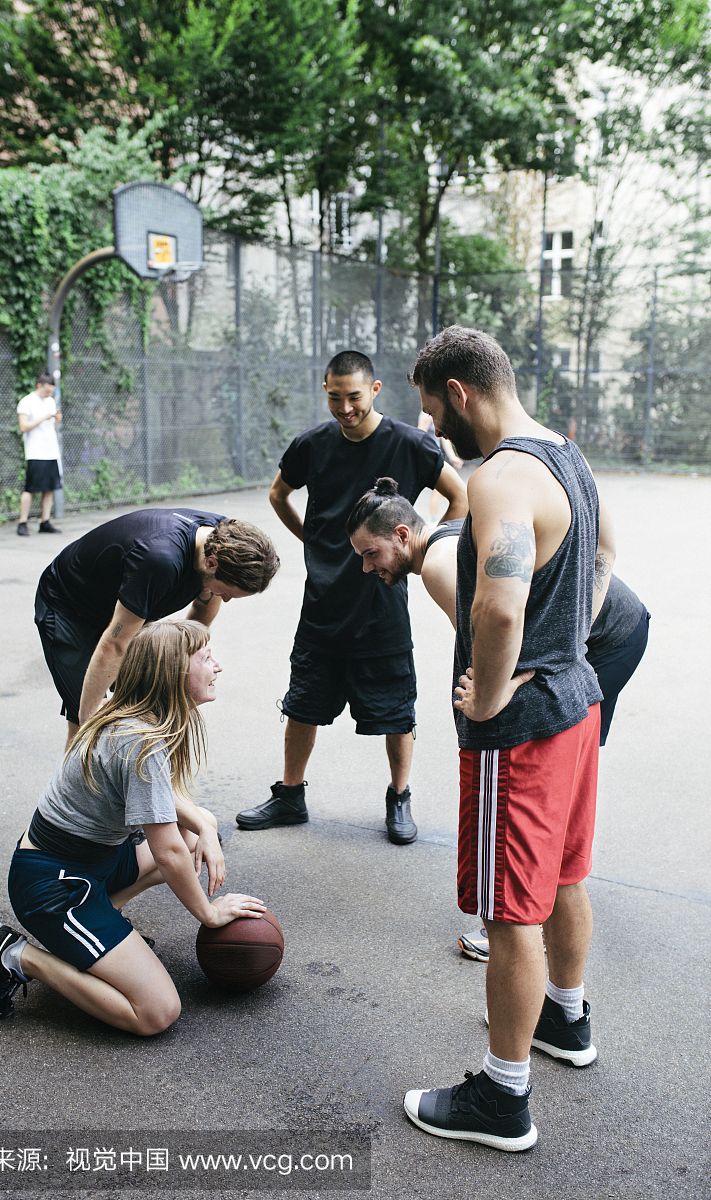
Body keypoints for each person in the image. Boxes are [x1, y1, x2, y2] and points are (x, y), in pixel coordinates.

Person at [398, 325, 615, 1153]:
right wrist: (565, 653)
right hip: (577, 704)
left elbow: (496, 607)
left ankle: (503, 1098)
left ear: (459, 394)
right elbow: (606, 555)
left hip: (521, 730)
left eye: (430, 410)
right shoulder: (569, 455)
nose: (432, 430)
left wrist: (488, 700)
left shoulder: (497, 480)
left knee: (507, 912)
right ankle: (568, 1019)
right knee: (563, 876)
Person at [346, 480, 650, 962]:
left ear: (403, 535)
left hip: (610, 634)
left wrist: (501, 689)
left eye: (370, 553)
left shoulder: (437, 566)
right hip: (606, 627)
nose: (367, 566)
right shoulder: (442, 540)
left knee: (554, 759)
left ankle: (523, 918)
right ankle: (544, 894)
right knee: (560, 769)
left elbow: (505, 630)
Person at [0, 620, 266, 1035]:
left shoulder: (130, 716)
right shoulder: (141, 742)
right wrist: (209, 913)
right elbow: (166, 853)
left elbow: (161, 806)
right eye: (205, 658)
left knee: (194, 835)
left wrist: (204, 819)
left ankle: (104, 923)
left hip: (88, 863)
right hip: (54, 888)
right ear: (173, 673)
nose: (218, 666)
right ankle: (20, 957)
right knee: (156, 1013)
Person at [235, 350, 468, 844]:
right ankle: (290, 795)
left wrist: (425, 547)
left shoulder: (410, 443)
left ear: (375, 390)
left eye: (354, 397)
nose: (345, 408)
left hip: (382, 604)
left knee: (396, 710)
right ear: (325, 391)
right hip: (322, 605)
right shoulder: (312, 445)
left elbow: (460, 495)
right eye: (335, 397)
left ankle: (399, 798)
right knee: (303, 704)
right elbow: (279, 495)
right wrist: (312, 543)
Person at [35, 508, 280, 750]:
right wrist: (90, 720)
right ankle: (72, 786)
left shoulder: (222, 541)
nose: (224, 600)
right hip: (70, 608)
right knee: (87, 726)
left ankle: (131, 782)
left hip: (124, 607)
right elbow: (115, 644)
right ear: (211, 563)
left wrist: (182, 671)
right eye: (226, 593)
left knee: (139, 708)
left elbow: (200, 617)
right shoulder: (160, 561)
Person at [17, 372, 62, 536]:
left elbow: (53, 429)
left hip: (51, 451)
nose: (49, 395)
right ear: (39, 386)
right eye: (47, 391)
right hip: (35, 452)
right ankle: (22, 522)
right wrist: (43, 418)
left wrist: (56, 420)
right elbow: (23, 427)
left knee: (49, 488)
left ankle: (45, 521)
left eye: (51, 392)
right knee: (30, 488)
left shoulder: (50, 402)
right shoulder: (26, 402)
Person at [417, 411, 464, 518]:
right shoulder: (426, 416)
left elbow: (444, 439)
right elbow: (419, 436)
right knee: (440, 489)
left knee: (439, 491)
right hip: (428, 458)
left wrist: (452, 457)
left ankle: (433, 519)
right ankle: (432, 520)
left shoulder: (438, 415)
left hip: (436, 457)